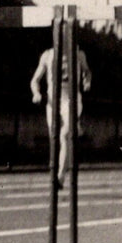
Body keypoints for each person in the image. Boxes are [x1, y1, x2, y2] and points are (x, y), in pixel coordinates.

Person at [30, 41, 92, 183]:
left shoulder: (79, 54)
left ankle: (60, 176)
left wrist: (87, 81)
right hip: (53, 101)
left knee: (65, 135)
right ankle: (75, 126)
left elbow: (87, 72)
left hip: (71, 99)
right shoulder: (47, 55)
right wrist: (36, 93)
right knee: (55, 138)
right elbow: (35, 80)